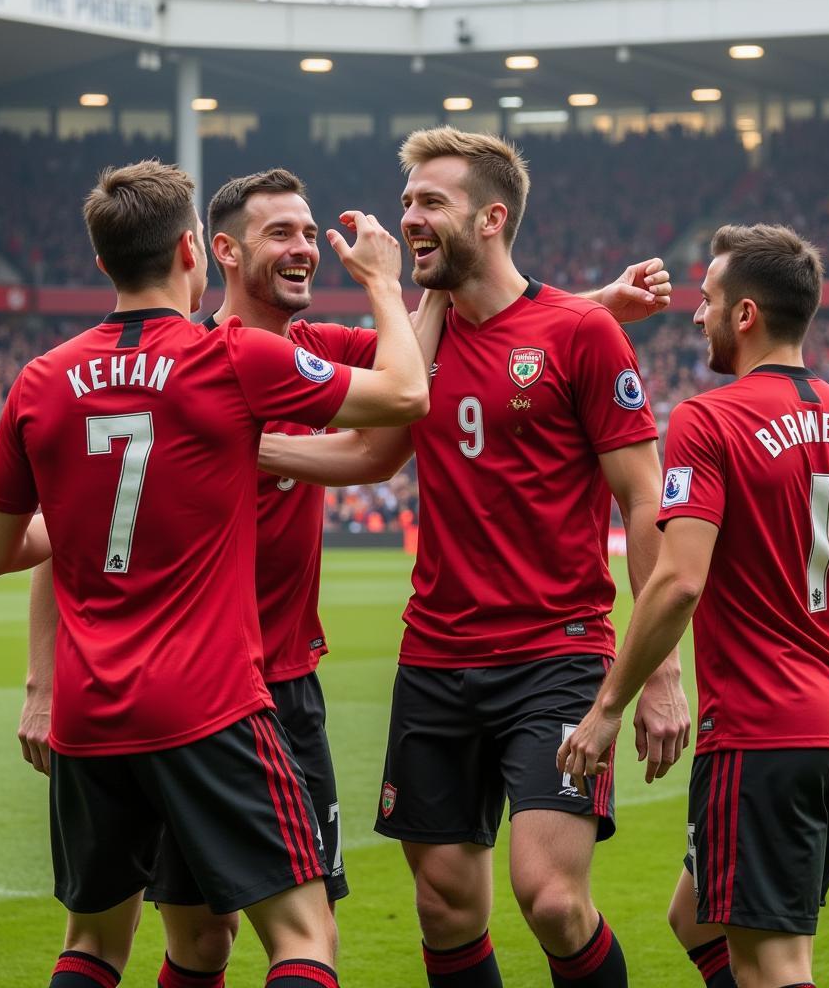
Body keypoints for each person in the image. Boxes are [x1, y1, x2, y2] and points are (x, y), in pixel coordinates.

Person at [15, 165, 670, 986]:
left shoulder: (316, 353)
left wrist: (590, 308)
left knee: (209, 936)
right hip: (214, 689)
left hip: (278, 684)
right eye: (279, 234)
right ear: (212, 250)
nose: (304, 248)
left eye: (307, 230)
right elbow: (67, 543)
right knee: (229, 940)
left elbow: (470, 343)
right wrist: (41, 680)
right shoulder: (206, 364)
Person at [0, 159, 429, 988]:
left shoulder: (37, 383)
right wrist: (384, 281)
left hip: (90, 716)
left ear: (103, 261)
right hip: (209, 699)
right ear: (195, 251)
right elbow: (405, 395)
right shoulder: (228, 359)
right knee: (303, 937)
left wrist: (82, 520)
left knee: (93, 946)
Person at [259, 126, 691, 988]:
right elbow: (374, 438)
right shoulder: (414, 344)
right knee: (445, 906)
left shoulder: (582, 334)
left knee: (552, 898)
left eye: (431, 203)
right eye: (407, 201)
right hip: (435, 658)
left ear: (492, 218)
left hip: (557, 656)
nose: (409, 218)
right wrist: (248, 441)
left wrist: (663, 673)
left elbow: (645, 501)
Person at [559, 224, 829, 988]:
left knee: (774, 963)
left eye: (706, 301)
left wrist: (607, 708)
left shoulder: (710, 419)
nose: (695, 316)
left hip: (764, 731)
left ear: (745, 315)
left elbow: (677, 580)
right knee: (696, 917)